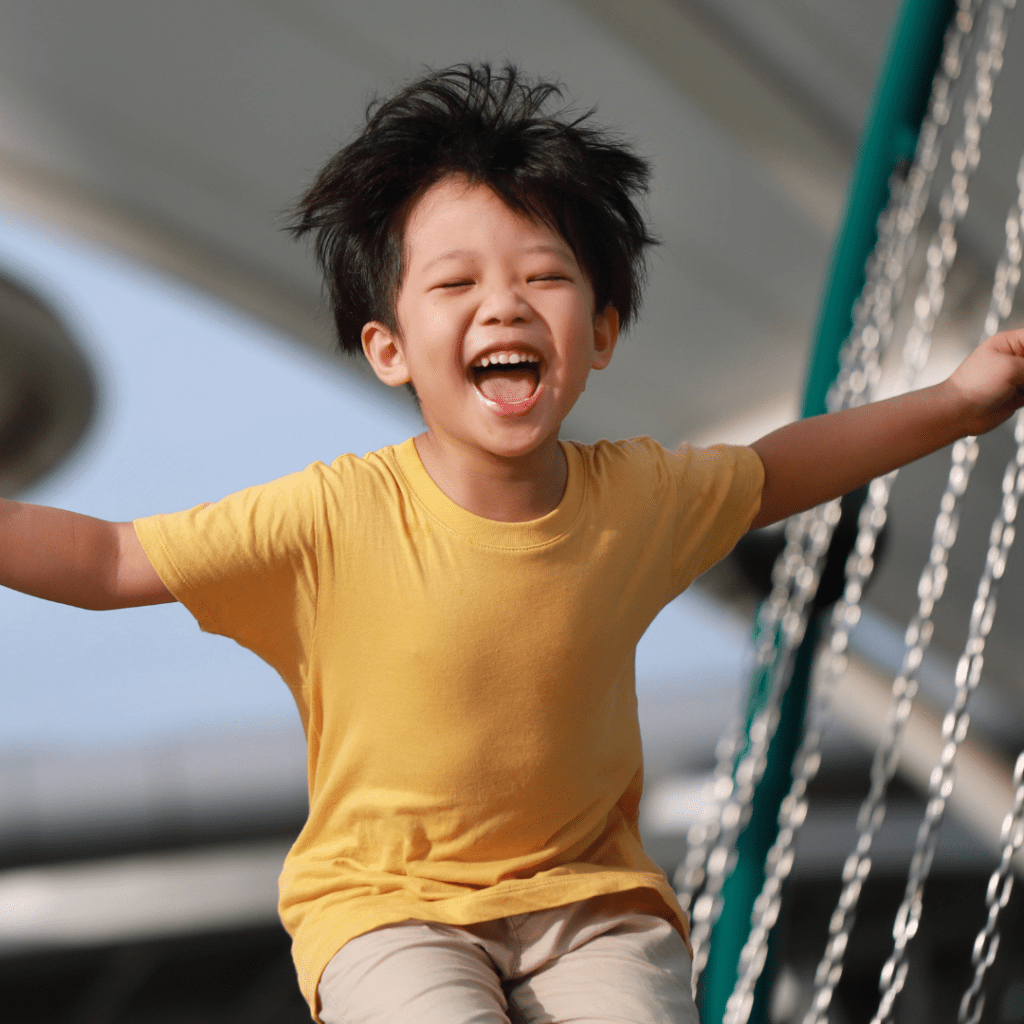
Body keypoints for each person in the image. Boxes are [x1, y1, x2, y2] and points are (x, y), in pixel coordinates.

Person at [3, 64, 1024, 1024]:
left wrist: (954, 401)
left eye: (544, 276)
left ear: (602, 332)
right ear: (388, 348)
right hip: (387, 908)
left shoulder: (641, 496)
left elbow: (786, 466)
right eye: (454, 286)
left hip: (589, 904)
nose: (504, 301)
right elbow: (107, 562)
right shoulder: (328, 518)